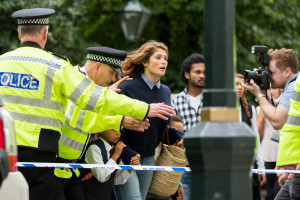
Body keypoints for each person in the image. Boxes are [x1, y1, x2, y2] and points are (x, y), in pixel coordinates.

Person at [0, 8, 174, 200]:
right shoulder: (56, 67)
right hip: (40, 150)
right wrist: (144, 109)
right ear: (45, 33)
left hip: (5, 148)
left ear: (19, 33)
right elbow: (94, 99)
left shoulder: (2, 62)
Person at [54, 47, 150, 200]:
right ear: (97, 66)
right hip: (54, 167)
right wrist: (120, 120)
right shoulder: (75, 80)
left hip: (71, 168)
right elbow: (78, 119)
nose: (113, 79)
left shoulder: (91, 86)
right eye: (111, 72)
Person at [113, 40, 184, 200]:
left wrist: (178, 135)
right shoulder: (127, 87)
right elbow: (112, 121)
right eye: (158, 57)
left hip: (150, 157)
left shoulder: (165, 91)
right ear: (144, 61)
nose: (163, 62)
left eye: (165, 58)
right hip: (125, 156)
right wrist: (124, 152)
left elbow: (160, 125)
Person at [241, 48, 299, 199]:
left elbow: (277, 120)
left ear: (287, 71)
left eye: (271, 73)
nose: (269, 77)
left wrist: (258, 94)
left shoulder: (293, 87)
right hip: (294, 163)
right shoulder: (292, 86)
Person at [171, 53, 205, 200]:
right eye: (197, 72)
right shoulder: (176, 101)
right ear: (187, 74)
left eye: (204, 72)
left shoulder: (213, 100)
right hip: (184, 166)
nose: (202, 75)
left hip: (208, 165)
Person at [80, 129, 140, 200]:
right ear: (102, 129)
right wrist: (115, 155)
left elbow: (114, 180)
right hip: (87, 196)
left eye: (119, 130)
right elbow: (102, 177)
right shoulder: (94, 148)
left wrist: (130, 168)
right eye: (113, 130)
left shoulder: (116, 149)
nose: (118, 133)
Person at [236, 74, 266, 199]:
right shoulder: (221, 109)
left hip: (249, 163)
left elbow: (255, 140)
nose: (240, 87)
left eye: (242, 84)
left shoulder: (249, 109)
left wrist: (261, 167)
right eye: (236, 84)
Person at [146, 115, 185, 200]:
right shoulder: (153, 148)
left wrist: (179, 185)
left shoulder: (176, 155)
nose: (178, 139)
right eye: (174, 132)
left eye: (181, 132)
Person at [257, 88, 282, 200]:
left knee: (279, 191)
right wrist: (263, 114)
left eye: (275, 88)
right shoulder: (259, 109)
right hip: (267, 155)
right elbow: (258, 135)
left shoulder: (285, 107)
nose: (271, 91)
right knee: (270, 192)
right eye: (269, 88)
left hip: (283, 155)